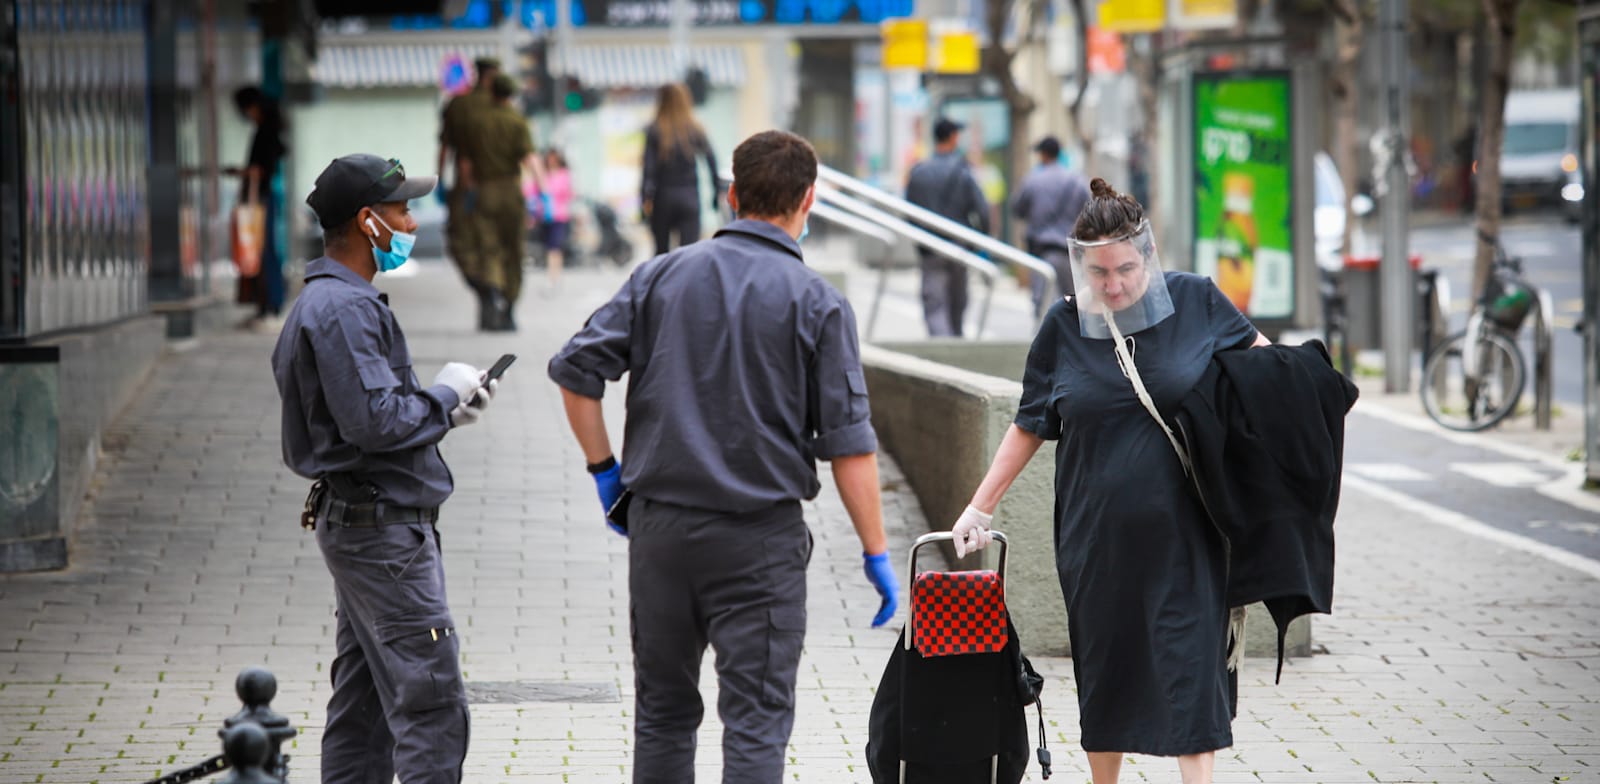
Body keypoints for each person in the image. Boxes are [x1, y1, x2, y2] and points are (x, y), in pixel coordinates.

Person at [548, 130, 898, 784]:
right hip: (758, 543)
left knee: (662, 713)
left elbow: (575, 373)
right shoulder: (818, 303)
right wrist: (876, 552)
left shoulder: (659, 275)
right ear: (808, 201)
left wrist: (606, 475)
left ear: (732, 194)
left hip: (660, 535)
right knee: (757, 721)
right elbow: (849, 446)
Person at [948, 178, 1271, 784]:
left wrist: (1311, 401)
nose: (1113, 285)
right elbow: (1031, 422)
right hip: (1096, 539)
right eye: (1098, 274)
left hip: (1188, 533)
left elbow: (1267, 370)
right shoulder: (1065, 325)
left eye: (1124, 269)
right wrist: (979, 508)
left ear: (1147, 254)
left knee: (1188, 669)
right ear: (1080, 268)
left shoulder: (1197, 301)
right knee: (1107, 671)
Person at [272, 154, 496, 784]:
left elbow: (373, 416)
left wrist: (443, 412)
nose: (412, 221)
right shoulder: (342, 310)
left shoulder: (336, 302)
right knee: (431, 705)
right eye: (401, 210)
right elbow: (374, 423)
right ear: (368, 223)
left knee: (365, 705)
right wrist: (443, 399)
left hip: (367, 521)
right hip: (382, 532)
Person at [458, 73, 541, 331]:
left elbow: (465, 164)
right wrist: (543, 191)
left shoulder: (476, 123)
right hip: (511, 192)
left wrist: (468, 190)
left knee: (489, 249)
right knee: (514, 250)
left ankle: (492, 294)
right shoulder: (517, 121)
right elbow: (529, 159)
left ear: (491, 93)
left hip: (484, 192)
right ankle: (510, 308)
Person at [905, 117, 990, 337]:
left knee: (934, 306)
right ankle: (956, 347)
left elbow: (909, 213)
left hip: (930, 248)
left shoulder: (919, 172)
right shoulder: (963, 171)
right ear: (952, 137)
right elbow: (981, 209)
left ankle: (942, 349)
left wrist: (921, 240)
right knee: (957, 304)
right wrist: (979, 240)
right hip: (958, 246)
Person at [437, 56, 500, 329]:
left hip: (467, 186)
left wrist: (439, 179)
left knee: (460, 244)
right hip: (500, 186)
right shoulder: (504, 105)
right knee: (496, 247)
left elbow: (446, 148)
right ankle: (497, 296)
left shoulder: (457, 105)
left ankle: (485, 290)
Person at [230, 86, 288, 332]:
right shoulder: (266, 131)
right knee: (259, 252)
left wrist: (242, 173)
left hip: (261, 199)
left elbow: (261, 169)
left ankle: (271, 306)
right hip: (261, 198)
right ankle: (265, 306)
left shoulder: (267, 132)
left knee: (262, 252)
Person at [640, 82, 719, 256]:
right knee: (689, 254)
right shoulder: (695, 129)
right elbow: (711, 162)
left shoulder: (654, 130)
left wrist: (644, 200)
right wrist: (716, 194)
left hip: (663, 198)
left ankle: (663, 283)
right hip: (689, 198)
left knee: (661, 253)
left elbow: (648, 169)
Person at [1011, 135, 1089, 309]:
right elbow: (1090, 209)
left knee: (1043, 303)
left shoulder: (1032, 180)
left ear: (1043, 155)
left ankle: (1047, 335)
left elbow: (1017, 209)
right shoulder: (1076, 180)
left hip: (1042, 251)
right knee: (1075, 303)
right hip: (1071, 252)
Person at [536, 148, 574, 291]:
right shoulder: (543, 174)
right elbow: (533, 190)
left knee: (555, 247)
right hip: (545, 216)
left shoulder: (564, 174)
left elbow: (568, 193)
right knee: (549, 248)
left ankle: (554, 276)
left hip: (559, 215)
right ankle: (553, 275)